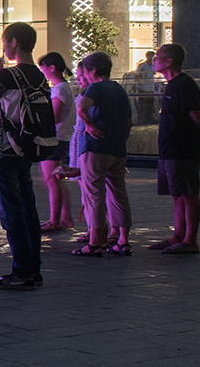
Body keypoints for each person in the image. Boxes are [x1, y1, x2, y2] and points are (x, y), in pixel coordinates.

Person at [0, 22, 46, 290]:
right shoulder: (38, 75)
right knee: (28, 208)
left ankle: (21, 271)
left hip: (2, 148)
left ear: (14, 42)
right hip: (25, 146)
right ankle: (33, 269)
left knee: (11, 210)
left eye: (5, 41)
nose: (3, 46)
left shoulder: (8, 75)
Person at [152, 42, 200, 255]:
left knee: (188, 193)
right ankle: (178, 235)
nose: (154, 60)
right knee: (178, 194)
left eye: (157, 57)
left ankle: (190, 240)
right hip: (170, 148)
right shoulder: (172, 84)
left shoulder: (183, 84)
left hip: (182, 148)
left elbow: (196, 115)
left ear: (168, 61)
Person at [73, 52, 133, 256]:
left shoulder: (95, 88)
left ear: (93, 70)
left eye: (85, 71)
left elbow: (82, 108)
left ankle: (95, 242)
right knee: (118, 193)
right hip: (117, 149)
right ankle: (123, 240)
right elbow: (129, 122)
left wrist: (90, 125)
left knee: (94, 195)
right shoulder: (120, 89)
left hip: (95, 148)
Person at [37, 52, 77, 233]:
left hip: (55, 138)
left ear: (51, 68)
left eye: (43, 68)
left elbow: (54, 116)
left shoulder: (59, 89)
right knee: (57, 179)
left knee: (51, 179)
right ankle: (65, 217)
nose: (42, 72)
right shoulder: (65, 87)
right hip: (62, 137)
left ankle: (54, 220)